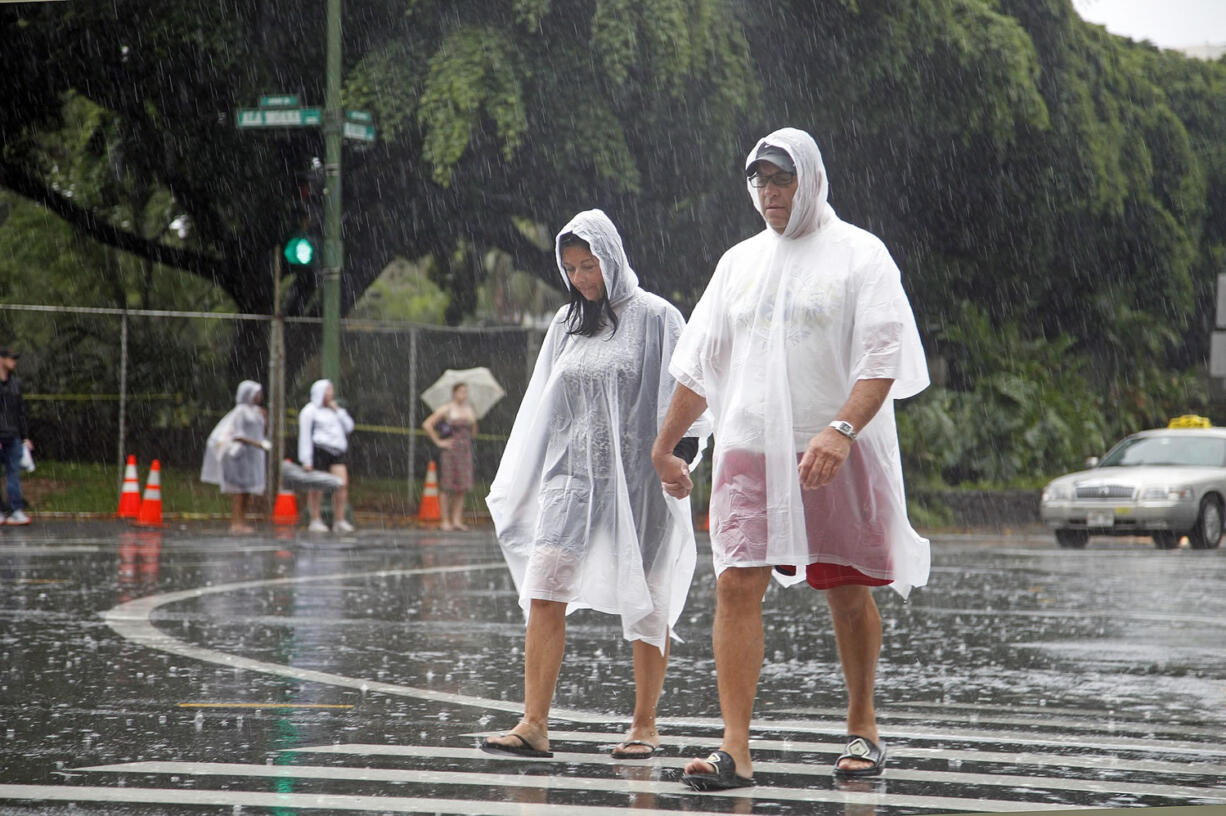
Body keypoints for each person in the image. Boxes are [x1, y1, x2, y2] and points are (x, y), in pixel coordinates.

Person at [651, 128, 930, 790]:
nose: (770, 193)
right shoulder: (739, 263)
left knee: (847, 592)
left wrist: (840, 429)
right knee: (735, 582)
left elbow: (883, 356)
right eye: (759, 182)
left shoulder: (860, 256)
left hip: (832, 450)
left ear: (810, 178)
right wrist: (666, 444)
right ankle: (735, 750)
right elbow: (700, 364)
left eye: (781, 179)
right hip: (750, 448)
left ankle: (862, 722)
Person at [483, 209, 709, 760]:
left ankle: (644, 725)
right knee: (545, 588)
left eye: (590, 265)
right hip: (572, 480)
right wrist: (525, 476)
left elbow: (689, 391)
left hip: (640, 481)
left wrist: (680, 457)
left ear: (613, 258)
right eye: (572, 269)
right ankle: (534, 723)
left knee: (648, 600)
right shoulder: (566, 324)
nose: (583, 278)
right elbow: (542, 401)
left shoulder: (657, 316)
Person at [201, 380, 271, 534]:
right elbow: (237, 434)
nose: (259, 396)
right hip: (241, 455)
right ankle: (236, 522)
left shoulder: (258, 412)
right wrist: (257, 444)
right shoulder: (240, 412)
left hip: (253, 456)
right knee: (239, 491)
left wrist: (264, 419)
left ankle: (242, 521)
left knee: (247, 490)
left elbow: (262, 433)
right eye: (256, 393)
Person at [298, 379, 355, 533]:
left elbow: (349, 427)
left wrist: (339, 411)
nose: (331, 393)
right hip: (319, 451)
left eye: (331, 390)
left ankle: (339, 520)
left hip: (337, 451)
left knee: (341, 484)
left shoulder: (335, 411)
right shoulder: (309, 411)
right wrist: (307, 460)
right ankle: (315, 519)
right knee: (318, 486)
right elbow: (305, 436)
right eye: (328, 390)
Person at [423, 382, 478, 531]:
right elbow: (427, 424)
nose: (464, 395)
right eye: (461, 391)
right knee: (447, 486)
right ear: (454, 393)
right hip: (450, 451)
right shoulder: (446, 409)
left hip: (464, 452)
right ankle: (445, 520)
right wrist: (439, 442)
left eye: (466, 392)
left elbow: (473, 433)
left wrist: (473, 420)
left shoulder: (469, 410)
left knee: (462, 487)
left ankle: (456, 519)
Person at [0, 347, 33, 526]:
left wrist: (25, 436)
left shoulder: (15, 383)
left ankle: (15, 510)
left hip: (12, 435)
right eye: (11, 358)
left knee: (14, 473)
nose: (14, 361)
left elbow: (21, 411)